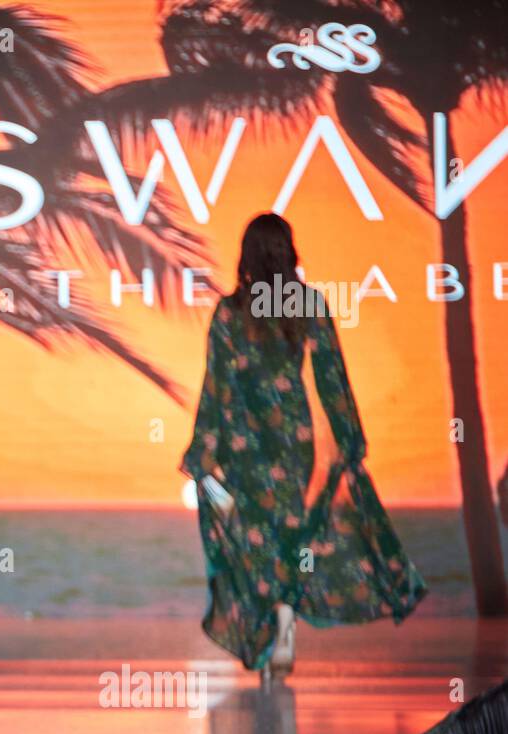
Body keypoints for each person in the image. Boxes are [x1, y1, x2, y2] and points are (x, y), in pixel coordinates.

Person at [180, 212, 426, 681]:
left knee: (255, 540)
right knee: (292, 538)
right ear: (288, 253)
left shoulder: (230, 311)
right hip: (294, 442)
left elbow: (217, 386)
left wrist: (204, 454)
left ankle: (273, 626)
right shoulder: (307, 303)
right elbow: (332, 377)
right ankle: (286, 626)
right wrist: (350, 440)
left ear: (247, 255)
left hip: (242, 444)